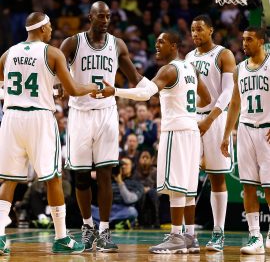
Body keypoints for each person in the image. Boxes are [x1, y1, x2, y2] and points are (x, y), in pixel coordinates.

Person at [99, 31, 211, 254]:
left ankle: (176, 237)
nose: (157, 45)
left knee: (176, 187)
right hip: (191, 130)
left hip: (176, 132)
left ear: (174, 45)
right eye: (156, 41)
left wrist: (116, 91)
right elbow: (206, 99)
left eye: (162, 42)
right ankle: (190, 237)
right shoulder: (190, 68)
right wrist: (185, 106)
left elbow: (146, 94)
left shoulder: (169, 69)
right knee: (188, 188)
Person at [0, 12, 98, 255]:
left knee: (9, 179)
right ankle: (62, 238)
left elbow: (17, 82)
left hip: (11, 117)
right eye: (50, 27)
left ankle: (0, 237)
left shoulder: (7, 54)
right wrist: (94, 86)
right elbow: (74, 89)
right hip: (39, 118)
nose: (52, 31)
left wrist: (51, 90)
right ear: (42, 28)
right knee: (53, 177)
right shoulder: (52, 53)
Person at [60, 1, 143, 252]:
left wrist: (157, 86)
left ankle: (104, 231)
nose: (106, 20)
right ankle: (87, 227)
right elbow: (56, 70)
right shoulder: (73, 43)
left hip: (107, 113)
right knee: (82, 176)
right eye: (101, 16)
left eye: (108, 17)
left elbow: (135, 79)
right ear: (90, 17)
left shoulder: (117, 45)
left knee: (106, 174)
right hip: (79, 113)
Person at [185, 15, 236, 252]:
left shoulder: (224, 54)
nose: (195, 34)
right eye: (192, 30)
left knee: (216, 177)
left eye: (199, 30)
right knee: (186, 177)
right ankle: (187, 233)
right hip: (193, 117)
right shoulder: (188, 57)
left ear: (211, 30)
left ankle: (218, 232)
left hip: (215, 119)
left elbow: (227, 93)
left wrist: (209, 120)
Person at [221, 27, 270, 255]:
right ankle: (254, 236)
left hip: (267, 130)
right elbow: (235, 103)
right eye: (243, 39)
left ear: (261, 42)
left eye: (249, 40)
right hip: (245, 129)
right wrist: (225, 134)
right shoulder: (239, 69)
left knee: (269, 187)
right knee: (248, 185)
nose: (244, 43)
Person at [91, 157, 144, 228]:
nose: (123, 167)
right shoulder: (108, 181)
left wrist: (120, 182)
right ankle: (115, 223)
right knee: (89, 209)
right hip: (107, 210)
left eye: (126, 164)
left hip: (123, 210)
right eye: (121, 165)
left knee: (132, 212)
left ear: (132, 167)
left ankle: (106, 223)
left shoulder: (136, 184)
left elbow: (129, 200)